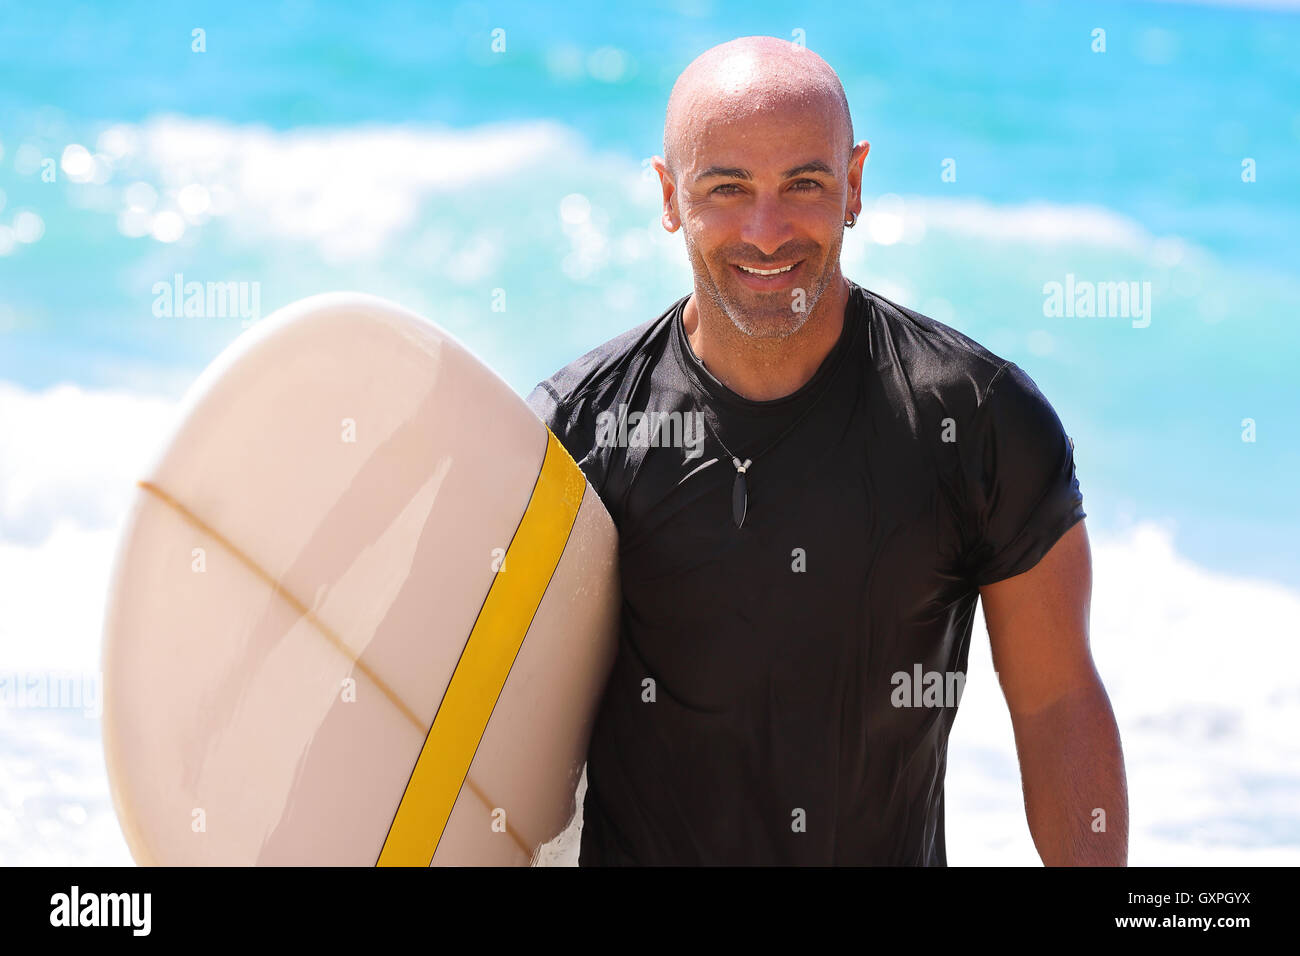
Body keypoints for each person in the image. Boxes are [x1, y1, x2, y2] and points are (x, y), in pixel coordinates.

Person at [527, 35, 1127, 865]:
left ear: (853, 183)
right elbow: (499, 729)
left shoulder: (978, 420)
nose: (767, 232)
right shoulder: (578, 431)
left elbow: (1057, 701)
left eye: (803, 183)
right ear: (670, 197)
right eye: (726, 188)